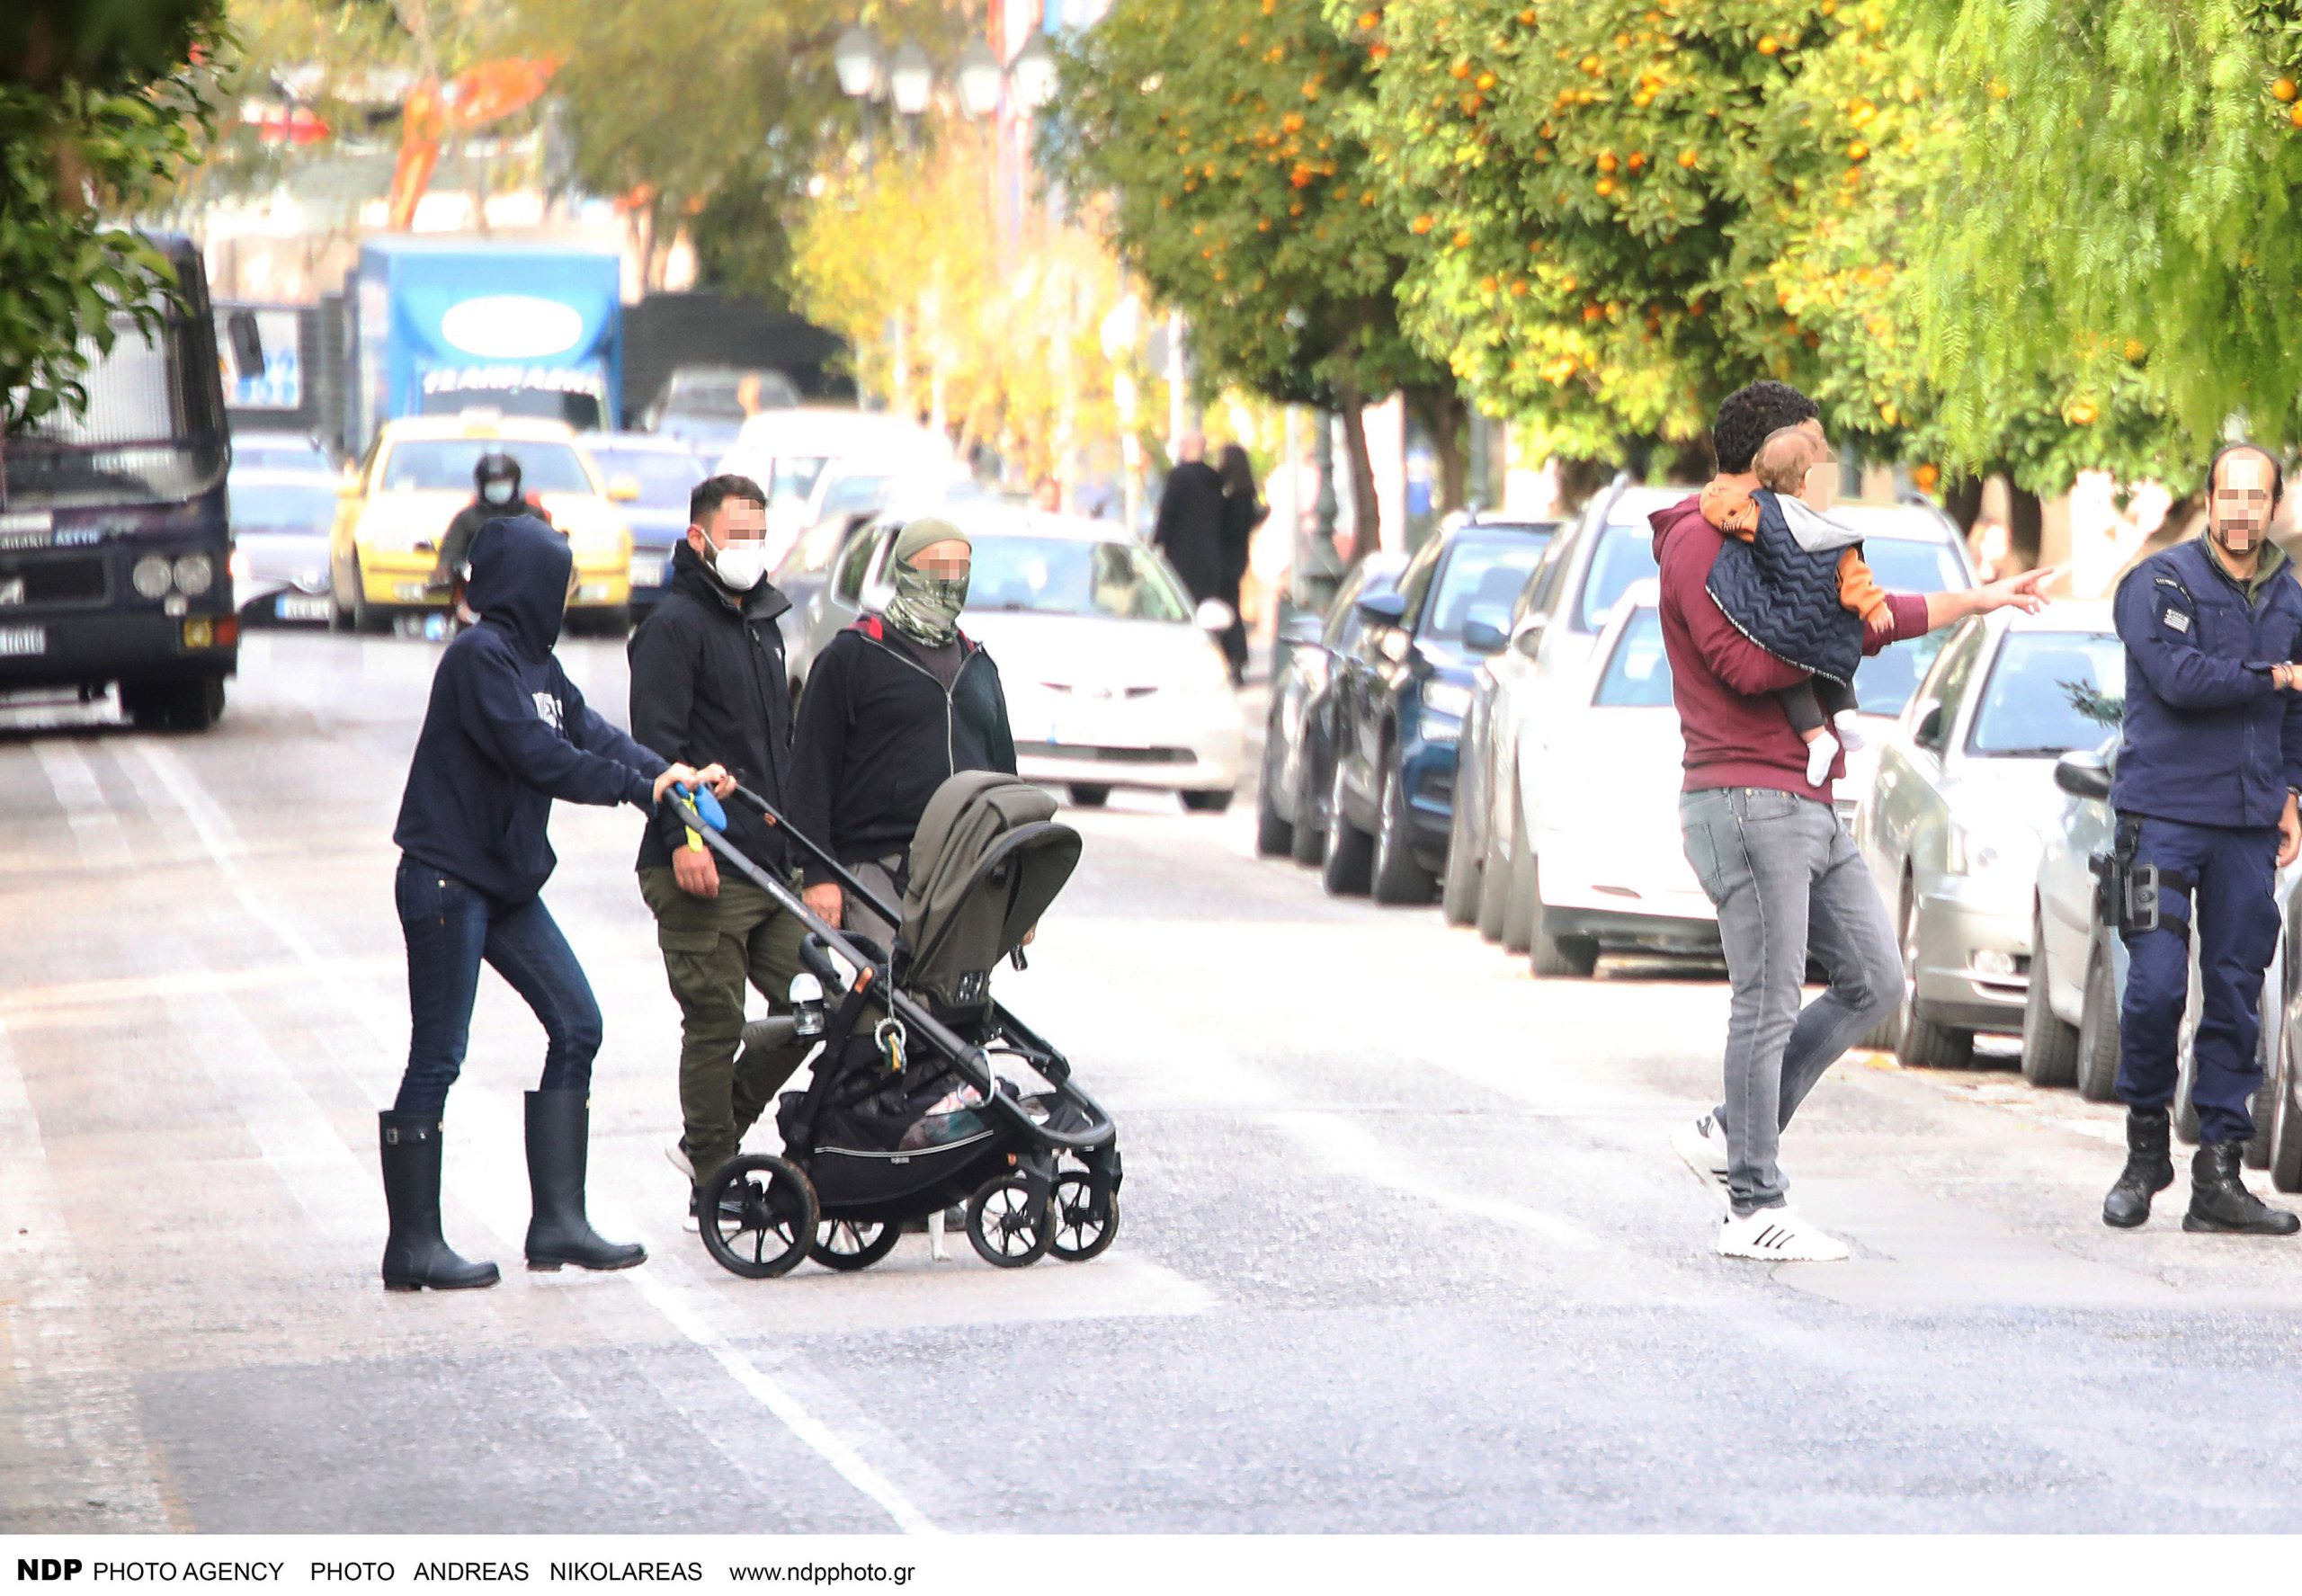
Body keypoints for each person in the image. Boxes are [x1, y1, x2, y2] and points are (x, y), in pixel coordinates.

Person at [1656, 379, 2052, 1262]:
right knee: (1764, 1002)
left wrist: (1980, 600)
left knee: (1876, 978)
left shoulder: (1783, 537)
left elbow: (1862, 618)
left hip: (1802, 799)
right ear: (1770, 452)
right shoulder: (1694, 540)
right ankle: (1751, 1201)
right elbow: (1749, 663)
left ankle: (1730, 1129)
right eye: (1813, 446)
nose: (1825, 463)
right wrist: (1830, 635)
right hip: (1743, 795)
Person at [382, 512, 730, 1291]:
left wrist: (671, 777)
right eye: (557, 583)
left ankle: (558, 1222)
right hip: (446, 878)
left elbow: (596, 735)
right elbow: (539, 755)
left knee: (578, 1022)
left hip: (503, 881)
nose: (564, 597)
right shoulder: (478, 659)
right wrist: (637, 791)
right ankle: (413, 1245)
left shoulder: (539, 664)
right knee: (440, 1053)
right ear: (524, 584)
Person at [2100, 442, 2302, 1236]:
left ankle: (2218, 1174)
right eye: (2231, 494)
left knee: (2236, 995)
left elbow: (2298, 719)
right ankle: (2145, 1145)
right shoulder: (2157, 583)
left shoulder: (2290, 594)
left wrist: (2292, 793)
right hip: (2158, 818)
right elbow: (2179, 681)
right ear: (2208, 500)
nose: (2244, 509)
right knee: (2152, 989)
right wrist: (2273, 676)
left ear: (2274, 503)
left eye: (2259, 496)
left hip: (2248, 827)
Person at [628, 474, 813, 1226]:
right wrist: (683, 838)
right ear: (700, 538)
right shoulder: (673, 628)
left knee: (815, 1003)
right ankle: (714, 1175)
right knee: (715, 1018)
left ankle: (712, 1131)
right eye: (737, 537)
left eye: (759, 537)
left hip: (771, 864)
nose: (751, 550)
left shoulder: (764, 622)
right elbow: (657, 750)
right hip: (703, 858)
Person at [789, 516, 1017, 945]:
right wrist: (817, 873)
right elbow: (809, 773)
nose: (951, 580)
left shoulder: (979, 667)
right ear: (905, 568)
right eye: (939, 566)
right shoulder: (852, 656)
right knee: (891, 1002)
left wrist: (1018, 888)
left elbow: (1005, 779)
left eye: (961, 568)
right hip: (877, 872)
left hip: (964, 875)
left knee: (951, 1008)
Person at [1699, 424, 1894, 785]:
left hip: (1786, 621)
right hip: (1823, 621)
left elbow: (1723, 513)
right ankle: (1846, 714)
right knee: (1835, 649)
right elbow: (1854, 577)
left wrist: (1712, 492)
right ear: (1809, 481)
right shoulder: (1834, 528)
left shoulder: (1763, 515)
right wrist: (1874, 607)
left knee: (1789, 672)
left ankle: (1817, 739)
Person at [436, 452, 548, 613]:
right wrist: (447, 565)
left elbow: (547, 549)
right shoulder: (467, 518)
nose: (498, 487)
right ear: (482, 485)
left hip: (522, 594)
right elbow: (452, 548)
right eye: (492, 483)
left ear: (515, 483)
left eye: (503, 482)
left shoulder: (533, 516)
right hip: (477, 592)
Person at [1152, 432, 1227, 616]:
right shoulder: (1214, 479)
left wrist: (1156, 542)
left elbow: (1167, 511)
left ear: (1185, 448)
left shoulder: (1178, 476)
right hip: (1210, 555)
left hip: (1181, 553)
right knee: (1204, 606)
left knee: (1181, 602)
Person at [1215, 442, 1268, 685]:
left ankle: (1234, 658)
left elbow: (1233, 529)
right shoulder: (1245, 493)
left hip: (1228, 557)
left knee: (1228, 609)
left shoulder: (1236, 496)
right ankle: (1236, 659)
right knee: (1231, 606)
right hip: (1237, 557)